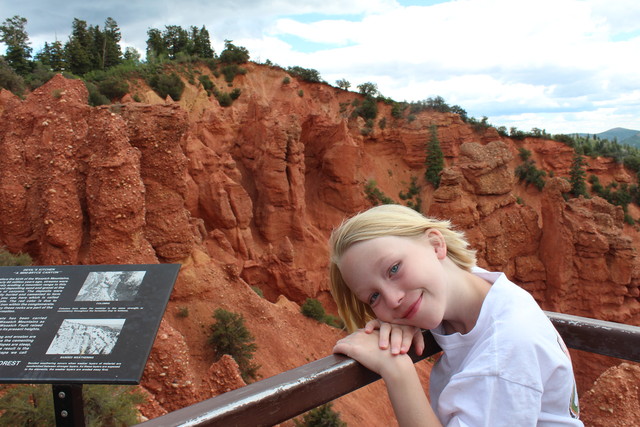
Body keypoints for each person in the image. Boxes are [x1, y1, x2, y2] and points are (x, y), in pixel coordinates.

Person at [329, 204, 582, 426]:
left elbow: (503, 359)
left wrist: (396, 370)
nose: (392, 299)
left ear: (436, 244)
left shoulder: (504, 354)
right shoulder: (478, 289)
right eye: (374, 297)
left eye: (394, 269)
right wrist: (411, 318)